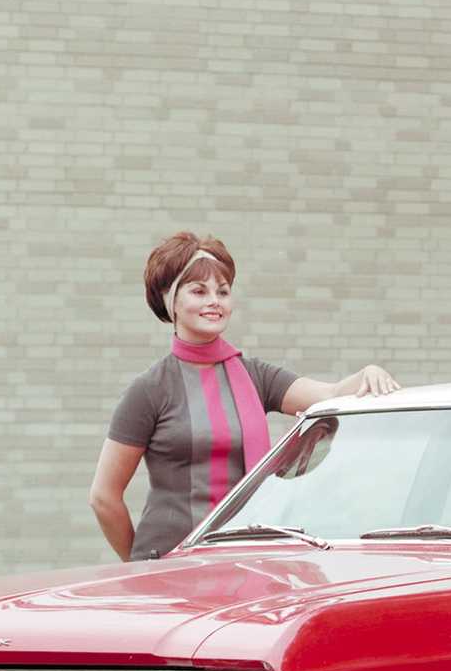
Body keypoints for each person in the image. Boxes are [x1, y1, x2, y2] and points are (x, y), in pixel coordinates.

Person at [89, 232, 400, 561]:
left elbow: (329, 395)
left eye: (223, 292)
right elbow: (104, 497)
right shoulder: (150, 389)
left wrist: (367, 374)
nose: (215, 301)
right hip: (168, 567)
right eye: (199, 291)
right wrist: (140, 564)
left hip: (244, 562)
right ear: (170, 300)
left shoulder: (256, 376)